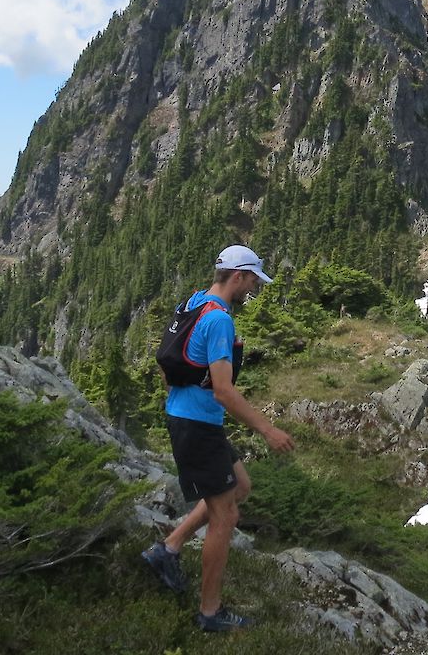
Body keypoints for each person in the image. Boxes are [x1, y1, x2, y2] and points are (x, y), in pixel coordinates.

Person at [141, 244, 296, 633]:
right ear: (239, 276)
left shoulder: (195, 303)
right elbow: (224, 391)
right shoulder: (220, 321)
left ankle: (168, 548)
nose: (254, 291)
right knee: (226, 516)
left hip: (190, 418)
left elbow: (169, 363)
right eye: (253, 282)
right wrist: (269, 429)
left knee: (240, 486)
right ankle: (209, 614)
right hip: (197, 426)